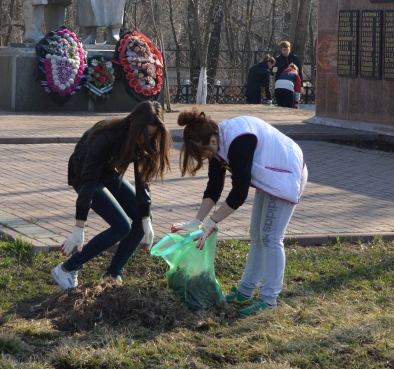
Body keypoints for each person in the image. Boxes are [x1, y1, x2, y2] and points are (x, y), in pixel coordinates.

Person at [172, 109, 308, 315]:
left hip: (287, 174)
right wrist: (197, 221)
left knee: (271, 237)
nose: (204, 157)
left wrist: (211, 223)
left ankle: (269, 300)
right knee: (257, 235)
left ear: (211, 141)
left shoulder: (239, 141)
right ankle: (245, 291)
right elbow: (214, 187)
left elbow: (239, 193)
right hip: (270, 176)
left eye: (203, 153)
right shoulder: (217, 143)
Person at [51, 101, 173, 289]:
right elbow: (89, 180)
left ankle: (112, 274)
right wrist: (79, 227)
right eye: (144, 133)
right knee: (122, 226)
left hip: (108, 171)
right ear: (135, 124)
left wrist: (146, 216)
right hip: (83, 173)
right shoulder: (107, 136)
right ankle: (66, 269)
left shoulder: (144, 140)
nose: (145, 139)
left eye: (151, 135)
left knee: (141, 220)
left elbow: (142, 179)